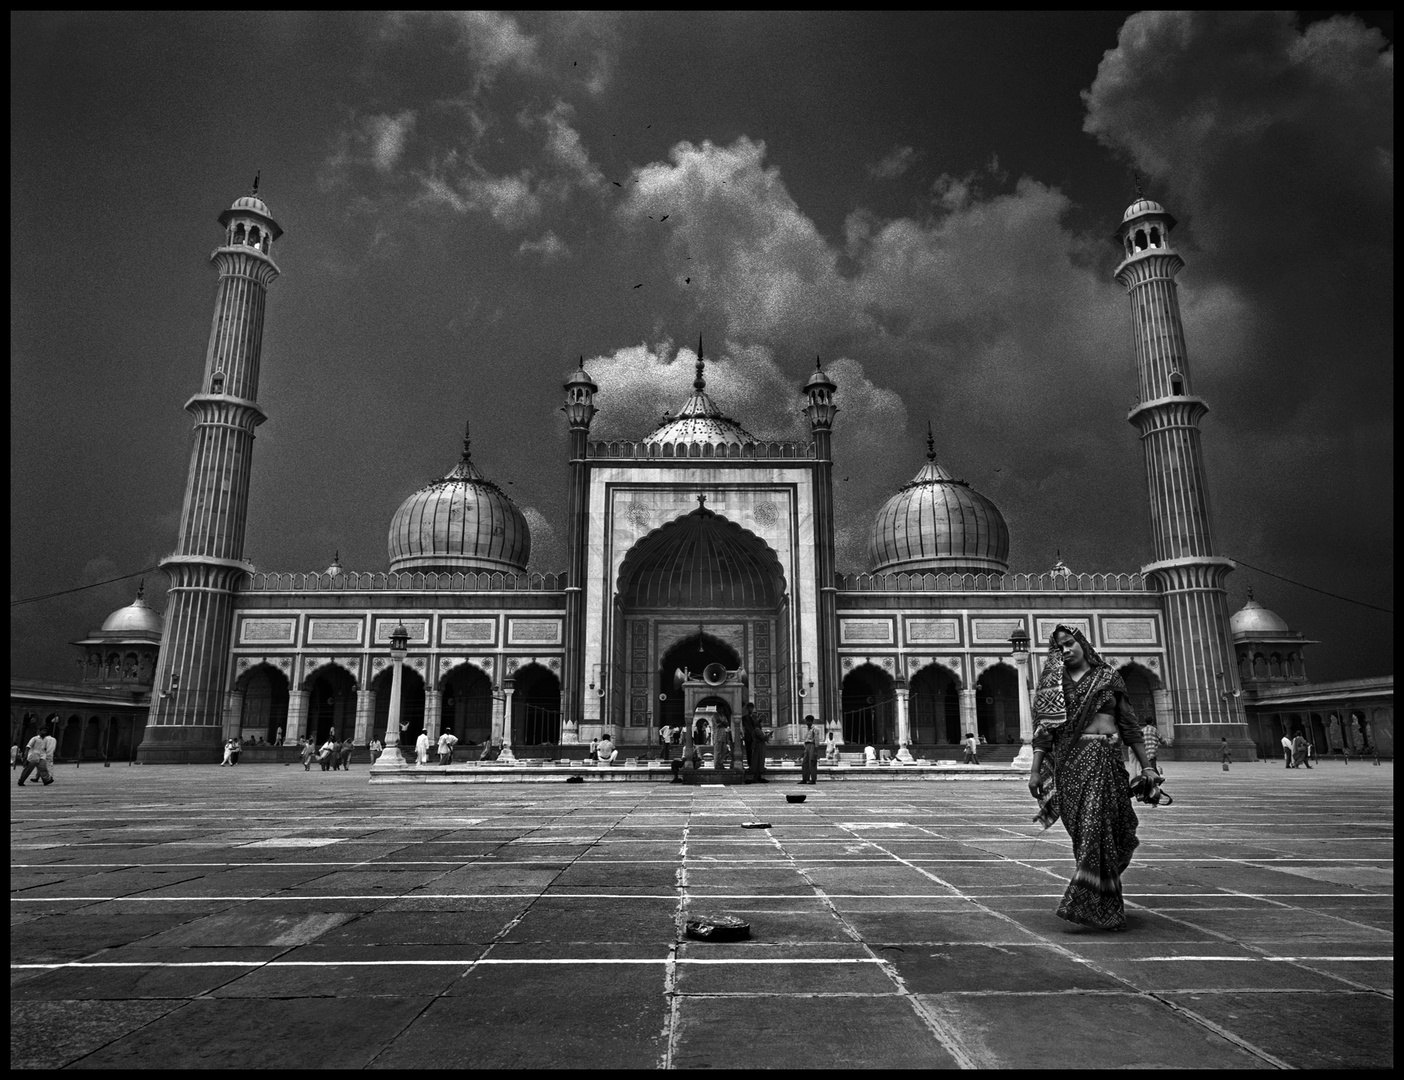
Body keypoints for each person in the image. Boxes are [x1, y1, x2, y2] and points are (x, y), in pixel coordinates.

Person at [1028, 624, 1154, 931]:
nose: (1066, 650)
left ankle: (1094, 900)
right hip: (1072, 765)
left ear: (1083, 643)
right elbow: (1045, 731)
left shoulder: (1109, 677)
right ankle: (1095, 901)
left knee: (1109, 830)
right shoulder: (1053, 684)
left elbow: (1130, 726)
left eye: (1069, 643)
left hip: (1108, 760)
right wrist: (1035, 770)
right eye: (1059, 648)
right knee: (1087, 831)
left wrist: (1147, 766)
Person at [741, 701, 767, 783]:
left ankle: (757, 767)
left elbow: (757, 726)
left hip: (755, 737)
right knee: (749, 751)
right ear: (747, 708)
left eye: (751, 708)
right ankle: (750, 765)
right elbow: (748, 727)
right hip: (749, 736)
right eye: (749, 708)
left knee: (756, 754)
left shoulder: (755, 716)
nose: (750, 709)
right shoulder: (744, 717)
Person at [800, 714, 820, 785]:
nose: (807, 723)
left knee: (812, 763)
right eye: (806, 721)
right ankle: (805, 778)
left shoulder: (815, 729)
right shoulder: (807, 730)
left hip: (812, 746)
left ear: (812, 721)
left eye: (808, 721)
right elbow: (806, 740)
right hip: (807, 746)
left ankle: (813, 779)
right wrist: (804, 749)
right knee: (804, 763)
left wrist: (815, 751)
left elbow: (817, 741)